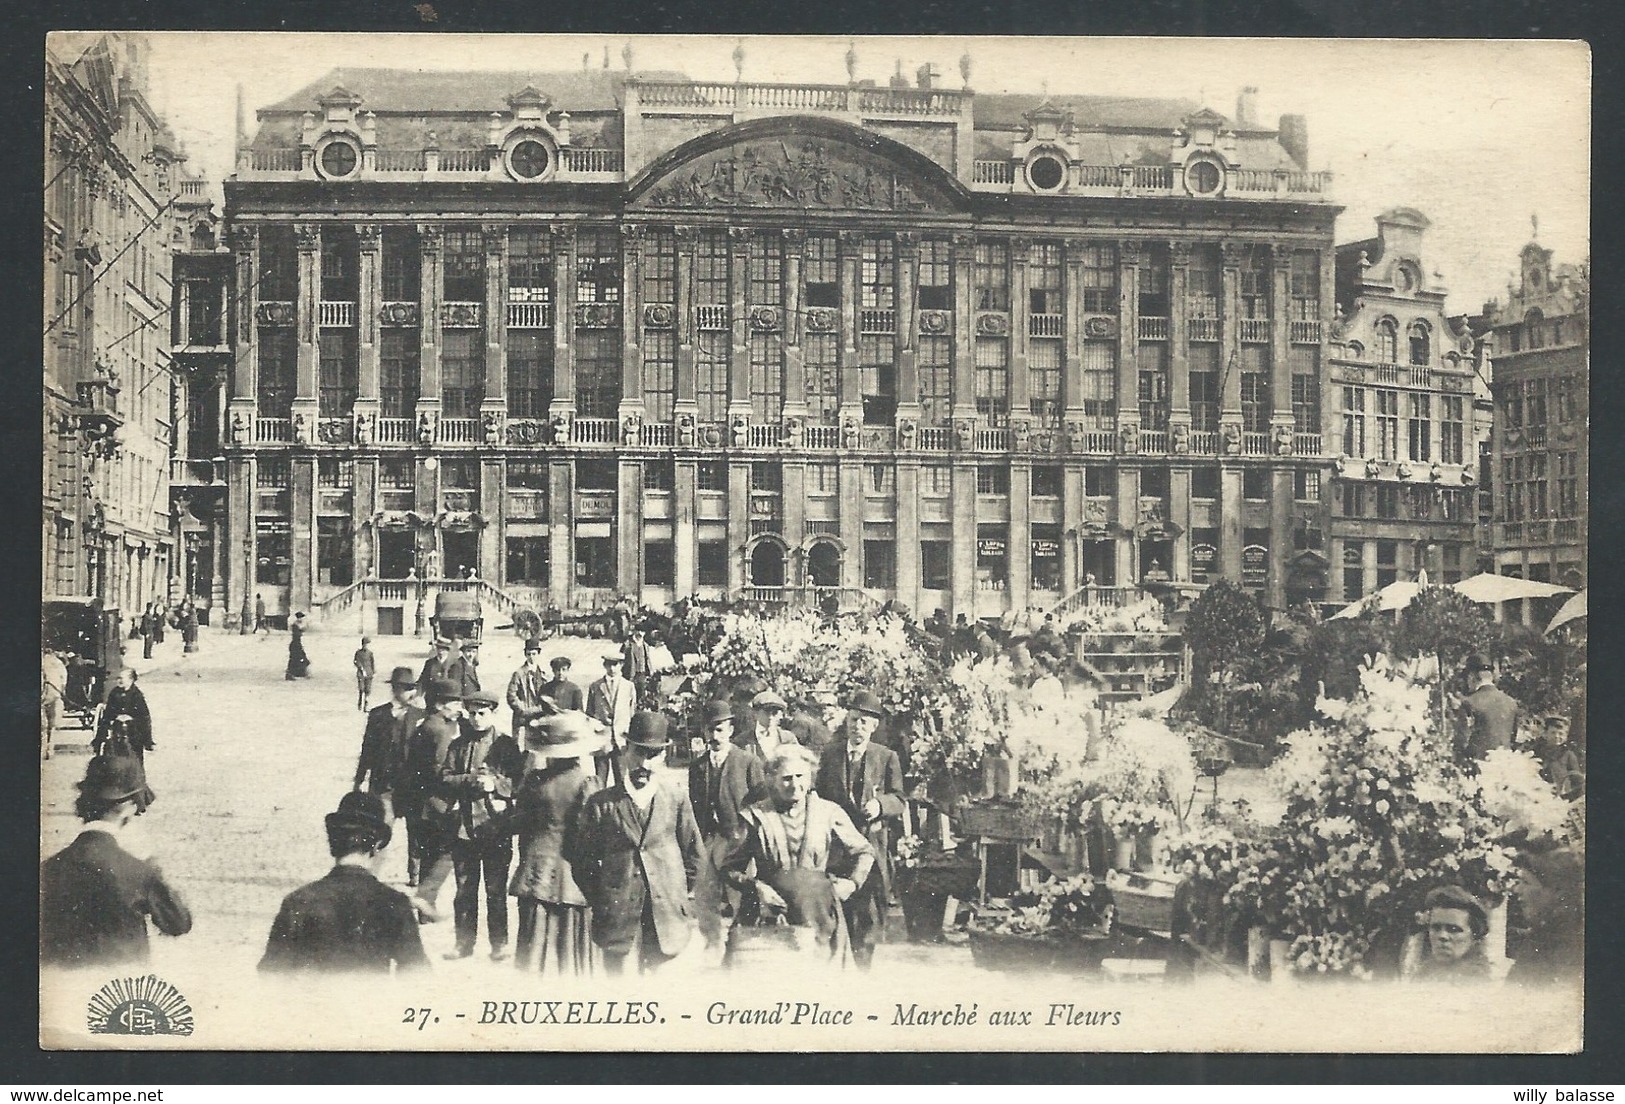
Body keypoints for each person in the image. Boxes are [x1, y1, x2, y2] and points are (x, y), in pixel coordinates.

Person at [567, 711, 701, 975]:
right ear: (626, 750)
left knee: (662, 991)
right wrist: (606, 897)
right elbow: (582, 863)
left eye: (653, 755)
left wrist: (674, 892)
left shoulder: (675, 799)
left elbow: (695, 855)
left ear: (663, 756)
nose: (645, 763)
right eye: (639, 752)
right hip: (617, 919)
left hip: (666, 918)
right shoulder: (601, 803)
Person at [720, 744, 875, 967]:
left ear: (810, 775)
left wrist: (852, 883)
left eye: (800, 776)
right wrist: (757, 888)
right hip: (768, 914)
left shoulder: (829, 812)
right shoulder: (755, 816)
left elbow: (864, 851)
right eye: (786, 778)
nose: (795, 785)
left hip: (819, 913)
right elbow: (729, 867)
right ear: (772, 779)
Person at [41, 756, 192, 967]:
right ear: (128, 807)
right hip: (118, 985)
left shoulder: (47, 868)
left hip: (61, 983)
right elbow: (178, 922)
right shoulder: (139, 871)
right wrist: (150, 863)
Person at [258, 791, 429, 974]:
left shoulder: (298, 902)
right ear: (377, 845)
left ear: (332, 842)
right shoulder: (394, 904)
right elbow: (418, 977)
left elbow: (271, 974)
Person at [814, 688, 906, 969]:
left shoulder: (886, 757)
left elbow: (900, 799)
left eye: (864, 722)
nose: (857, 726)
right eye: (854, 720)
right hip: (838, 848)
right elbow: (819, 796)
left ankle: (863, 968)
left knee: (866, 915)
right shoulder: (830, 755)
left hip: (871, 845)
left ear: (874, 726)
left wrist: (880, 805)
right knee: (836, 911)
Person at [510, 712, 604, 975]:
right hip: (574, 879)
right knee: (572, 959)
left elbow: (519, 823)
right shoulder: (587, 783)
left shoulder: (534, 782)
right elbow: (594, 832)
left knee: (532, 954)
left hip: (535, 875)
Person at [437, 689, 524, 961]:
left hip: (495, 826)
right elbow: (444, 778)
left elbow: (520, 784)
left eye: (482, 714)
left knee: (495, 889)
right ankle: (464, 943)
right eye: (472, 713)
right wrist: (470, 780)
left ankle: (499, 944)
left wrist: (496, 785)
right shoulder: (458, 745)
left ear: (493, 713)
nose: (476, 719)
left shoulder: (506, 746)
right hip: (464, 827)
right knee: (465, 889)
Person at [690, 700, 766, 951]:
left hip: (738, 841)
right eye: (710, 729)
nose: (714, 735)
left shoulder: (747, 762)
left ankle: (738, 942)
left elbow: (761, 805)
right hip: (708, 839)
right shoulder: (697, 766)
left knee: (739, 894)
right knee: (704, 893)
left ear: (731, 730)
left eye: (720, 729)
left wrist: (754, 841)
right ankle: (711, 942)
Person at [403, 678, 465, 908]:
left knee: (429, 852)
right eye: (455, 703)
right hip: (437, 802)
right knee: (449, 851)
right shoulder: (441, 731)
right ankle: (426, 896)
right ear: (439, 705)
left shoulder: (425, 724)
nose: (459, 708)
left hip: (419, 802)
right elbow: (440, 770)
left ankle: (425, 909)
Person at [354, 666, 424, 833]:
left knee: (416, 840)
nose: (412, 693)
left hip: (411, 787)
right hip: (383, 785)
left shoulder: (421, 716)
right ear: (395, 689)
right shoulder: (378, 715)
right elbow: (367, 749)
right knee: (379, 832)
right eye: (407, 689)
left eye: (413, 688)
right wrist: (359, 780)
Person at [1413, 884, 1492, 983]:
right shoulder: (1421, 975)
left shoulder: (1481, 982)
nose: (1442, 936)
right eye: (1436, 928)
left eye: (1454, 929)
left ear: (1475, 936)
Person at [1456, 653, 1517, 764]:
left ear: (1472, 677)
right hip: (1506, 767)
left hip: (1478, 769)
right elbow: (1512, 739)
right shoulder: (1511, 703)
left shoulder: (1469, 703)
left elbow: (1461, 742)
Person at [505, 638, 555, 737]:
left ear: (538, 654)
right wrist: (523, 709)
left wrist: (543, 707)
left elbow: (550, 694)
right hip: (523, 717)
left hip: (540, 715)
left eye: (534, 654)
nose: (531, 657)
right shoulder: (519, 673)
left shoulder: (544, 674)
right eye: (529, 654)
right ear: (525, 655)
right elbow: (511, 695)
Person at [586, 651, 636, 748]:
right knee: (601, 763)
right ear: (604, 665)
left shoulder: (628, 686)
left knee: (619, 763)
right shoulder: (595, 686)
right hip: (601, 737)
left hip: (622, 737)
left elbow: (632, 712)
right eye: (608, 665)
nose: (612, 668)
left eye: (615, 665)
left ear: (621, 665)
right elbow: (589, 713)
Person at [740, 689, 798, 761]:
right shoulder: (742, 740)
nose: (770, 717)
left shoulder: (788, 739)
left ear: (780, 715)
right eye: (766, 712)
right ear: (755, 714)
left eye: (775, 713)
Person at [418, 635, 478, 699]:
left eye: (444, 649)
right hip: (431, 697)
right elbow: (422, 681)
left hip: (446, 697)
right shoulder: (430, 663)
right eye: (439, 648)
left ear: (448, 650)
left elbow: (456, 686)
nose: (441, 652)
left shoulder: (453, 663)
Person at [42, 647, 68, 761]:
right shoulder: (59, 663)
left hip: (44, 695)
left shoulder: (42, 661)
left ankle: (44, 747)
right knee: (53, 724)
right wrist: (63, 690)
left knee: (44, 725)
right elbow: (64, 679)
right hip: (56, 694)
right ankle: (50, 748)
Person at [353, 637, 376, 712]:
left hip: (369, 673)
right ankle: (360, 703)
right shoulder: (358, 653)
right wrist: (361, 669)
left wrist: (373, 671)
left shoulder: (370, 653)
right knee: (361, 689)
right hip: (361, 674)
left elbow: (372, 662)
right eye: (365, 644)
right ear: (363, 644)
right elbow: (356, 661)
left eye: (368, 644)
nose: (366, 646)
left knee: (367, 690)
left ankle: (366, 706)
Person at [286, 612, 311, 680]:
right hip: (295, 644)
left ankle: (297, 673)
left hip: (296, 644)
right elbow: (297, 634)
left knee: (297, 659)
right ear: (299, 618)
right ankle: (291, 673)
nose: (302, 619)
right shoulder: (295, 625)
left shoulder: (296, 625)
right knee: (296, 659)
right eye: (301, 617)